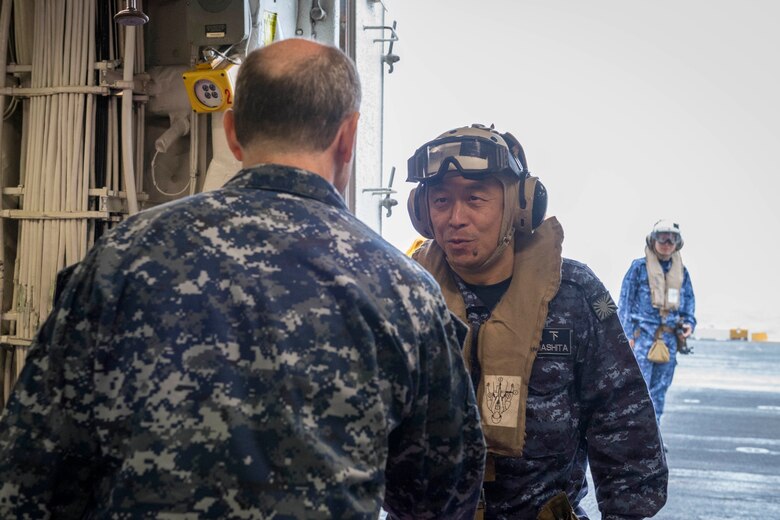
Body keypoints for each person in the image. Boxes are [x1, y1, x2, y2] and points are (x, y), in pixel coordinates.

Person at [0, 39, 486, 519]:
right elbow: (438, 496)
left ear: (232, 131)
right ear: (348, 137)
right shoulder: (405, 290)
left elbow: (31, 475)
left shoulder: (119, 258)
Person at [406, 123, 667, 519]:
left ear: (519, 205)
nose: (455, 218)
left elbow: (622, 421)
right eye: (441, 201)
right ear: (421, 211)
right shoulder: (404, 291)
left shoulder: (573, 293)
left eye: (475, 199)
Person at [618, 220, 696, 430]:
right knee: (638, 389)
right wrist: (627, 337)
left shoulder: (682, 273)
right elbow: (624, 303)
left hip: (669, 340)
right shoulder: (638, 268)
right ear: (653, 240)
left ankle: (654, 434)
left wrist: (689, 323)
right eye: (662, 237)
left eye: (672, 238)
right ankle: (634, 433)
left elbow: (688, 303)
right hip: (642, 337)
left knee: (660, 390)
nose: (667, 242)